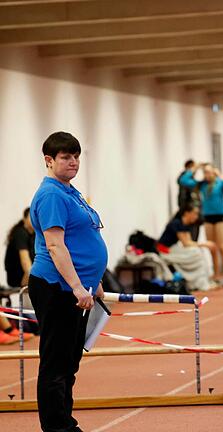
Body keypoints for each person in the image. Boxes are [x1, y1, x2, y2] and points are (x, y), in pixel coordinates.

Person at [28, 131, 108, 432]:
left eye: (76, 156)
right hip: (57, 287)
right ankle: (57, 427)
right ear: (49, 161)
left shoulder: (69, 190)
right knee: (55, 365)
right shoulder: (51, 195)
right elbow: (55, 245)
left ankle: (65, 422)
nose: (73, 162)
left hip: (76, 287)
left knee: (68, 364)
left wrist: (93, 280)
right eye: (65, 157)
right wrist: (76, 286)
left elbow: (84, 237)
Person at [179, 163, 223, 287]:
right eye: (205, 172)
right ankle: (216, 275)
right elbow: (184, 181)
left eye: (209, 172)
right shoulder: (202, 185)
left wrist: (221, 176)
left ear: (213, 173)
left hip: (220, 216)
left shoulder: (219, 183)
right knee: (212, 247)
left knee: (222, 247)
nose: (207, 175)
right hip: (208, 217)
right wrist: (196, 168)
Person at [156, 204, 219, 292]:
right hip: (165, 250)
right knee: (196, 252)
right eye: (195, 213)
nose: (196, 216)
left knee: (196, 251)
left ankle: (201, 281)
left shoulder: (186, 224)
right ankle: (200, 283)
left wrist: (203, 245)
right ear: (186, 213)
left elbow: (190, 243)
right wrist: (205, 244)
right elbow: (186, 243)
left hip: (173, 249)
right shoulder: (176, 223)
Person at [2, 207, 36, 345]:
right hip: (17, 276)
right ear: (25, 219)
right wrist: (32, 277)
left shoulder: (34, 235)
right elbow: (25, 261)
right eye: (31, 218)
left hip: (28, 273)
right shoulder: (20, 233)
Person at [176, 159, 201, 241]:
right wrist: (193, 169)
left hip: (195, 212)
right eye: (193, 168)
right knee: (188, 238)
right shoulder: (183, 178)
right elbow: (182, 180)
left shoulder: (193, 181)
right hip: (187, 212)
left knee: (194, 238)